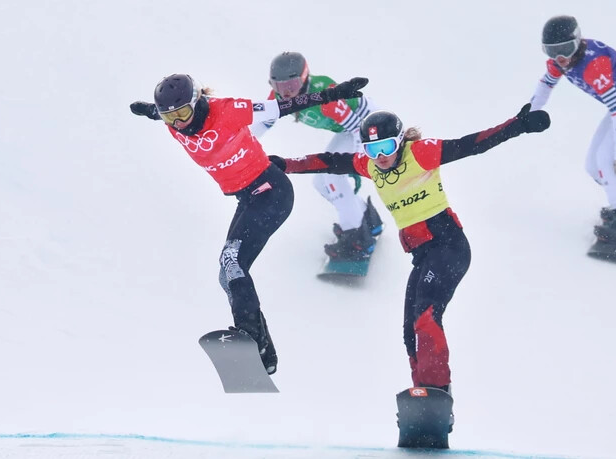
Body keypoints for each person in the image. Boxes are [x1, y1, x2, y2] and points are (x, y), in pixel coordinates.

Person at [269, 105, 550, 398]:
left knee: (426, 318)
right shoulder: (370, 166)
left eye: (387, 147)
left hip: (449, 247)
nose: (380, 156)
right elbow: (328, 161)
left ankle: (436, 388)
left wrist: (517, 125)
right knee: (409, 332)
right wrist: (286, 164)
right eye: (372, 149)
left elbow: (472, 144)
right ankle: (426, 399)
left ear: (401, 141)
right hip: (424, 256)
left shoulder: (421, 153)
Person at [129, 73, 368, 375]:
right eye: (170, 118)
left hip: (271, 192)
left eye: (183, 114)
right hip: (248, 198)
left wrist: (334, 94)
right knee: (225, 273)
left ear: (197, 102)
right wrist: (150, 110)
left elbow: (285, 106)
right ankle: (265, 354)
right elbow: (160, 113)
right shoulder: (172, 122)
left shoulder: (227, 109)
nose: (179, 124)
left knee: (233, 261)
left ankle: (250, 338)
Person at [530, 15, 616, 261]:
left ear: (577, 42)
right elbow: (545, 86)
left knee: (608, 162)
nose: (560, 58)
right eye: (551, 51)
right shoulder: (560, 63)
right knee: (593, 166)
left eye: (565, 49)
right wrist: (528, 115)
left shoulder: (593, 66)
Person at [250, 52, 383, 261]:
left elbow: (359, 128)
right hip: (348, 130)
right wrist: (238, 144)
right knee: (320, 182)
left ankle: (358, 239)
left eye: (291, 86)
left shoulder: (324, 95)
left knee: (333, 178)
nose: (286, 94)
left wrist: (358, 162)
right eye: (279, 87)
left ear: (304, 79)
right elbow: (263, 122)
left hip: (367, 127)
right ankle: (366, 218)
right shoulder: (278, 98)